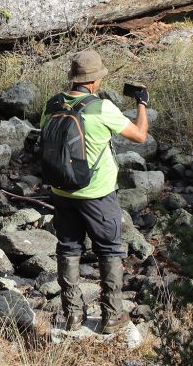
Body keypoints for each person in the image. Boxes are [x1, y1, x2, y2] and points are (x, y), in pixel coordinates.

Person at [40, 50, 149, 334]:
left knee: (68, 247)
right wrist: (142, 104)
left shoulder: (52, 105)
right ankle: (112, 315)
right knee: (110, 250)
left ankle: (72, 314)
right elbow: (140, 135)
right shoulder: (101, 108)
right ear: (94, 81)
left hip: (62, 190)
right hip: (97, 193)